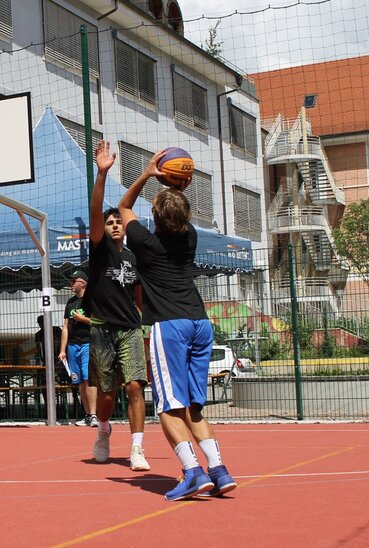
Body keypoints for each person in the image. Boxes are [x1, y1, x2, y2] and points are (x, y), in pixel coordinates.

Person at [119, 149, 236, 501]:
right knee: (194, 406)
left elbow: (124, 207)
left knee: (168, 408)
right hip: (201, 322)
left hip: (169, 326)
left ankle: (192, 473)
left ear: (155, 216)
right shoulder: (191, 238)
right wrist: (176, 183)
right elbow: (173, 210)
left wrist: (147, 174)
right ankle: (218, 469)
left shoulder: (144, 241)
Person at [86, 141, 150, 472]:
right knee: (108, 396)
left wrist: (147, 330)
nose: (113, 224)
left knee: (135, 386)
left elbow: (139, 299)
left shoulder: (134, 258)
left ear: (125, 227)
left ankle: (137, 448)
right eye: (110, 221)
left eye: (117, 221)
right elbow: (95, 212)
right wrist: (101, 174)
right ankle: (104, 431)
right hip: (101, 330)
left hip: (129, 329)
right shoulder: (99, 250)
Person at [57, 271, 99, 427]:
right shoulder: (70, 302)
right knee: (80, 381)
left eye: (74, 281)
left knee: (89, 379)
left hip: (88, 343)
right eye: (71, 280)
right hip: (73, 346)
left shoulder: (91, 301)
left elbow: (99, 322)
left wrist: (83, 319)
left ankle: (94, 414)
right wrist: (63, 350)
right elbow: (66, 327)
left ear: (84, 283)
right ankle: (88, 414)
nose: (71, 283)